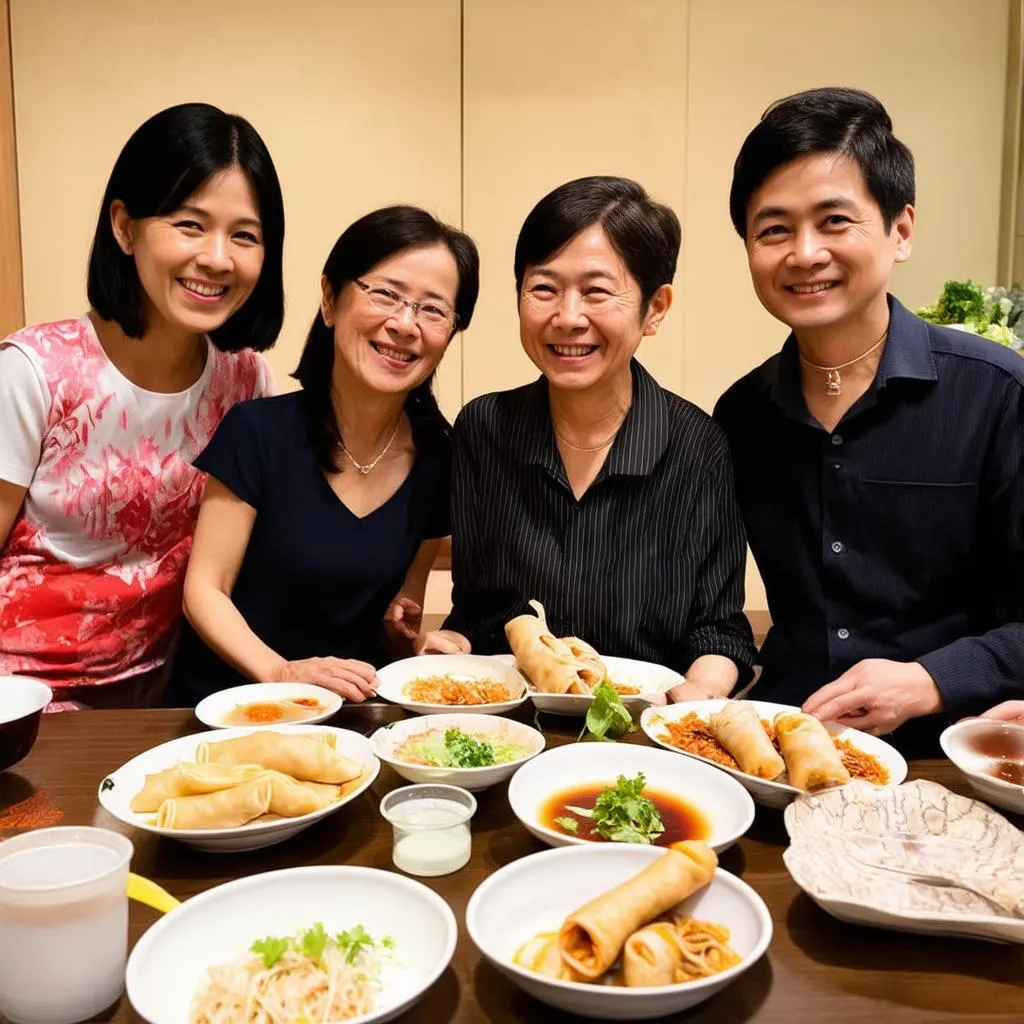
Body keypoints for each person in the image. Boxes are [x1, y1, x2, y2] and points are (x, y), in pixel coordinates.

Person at [714, 87, 1024, 756]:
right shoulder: (742, 415)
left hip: (946, 756)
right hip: (784, 751)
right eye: (774, 229)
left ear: (900, 230)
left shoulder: (997, 395)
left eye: (834, 221)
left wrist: (928, 680)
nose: (804, 252)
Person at [416, 176, 757, 696]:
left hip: (642, 732)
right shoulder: (483, 429)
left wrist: (700, 694)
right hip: (504, 728)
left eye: (597, 291)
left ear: (656, 307)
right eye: (544, 288)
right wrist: (454, 644)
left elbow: (719, 630)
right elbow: (479, 608)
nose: (568, 317)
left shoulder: (698, 446)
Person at [0, 102, 285, 708]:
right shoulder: (34, 371)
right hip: (19, 697)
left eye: (245, 235)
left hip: (165, 695)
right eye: (189, 224)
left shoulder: (245, 381)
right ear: (125, 227)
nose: (216, 257)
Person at [164, 206, 479, 706]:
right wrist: (282, 673)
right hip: (230, 710)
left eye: (433, 309)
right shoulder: (257, 432)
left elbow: (400, 619)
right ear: (331, 301)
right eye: (386, 294)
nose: (404, 323)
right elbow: (204, 590)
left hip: (349, 724)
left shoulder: (440, 459)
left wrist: (418, 644)